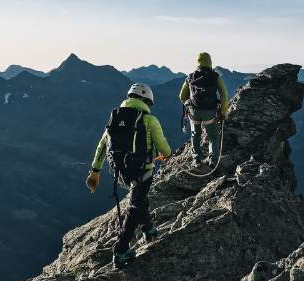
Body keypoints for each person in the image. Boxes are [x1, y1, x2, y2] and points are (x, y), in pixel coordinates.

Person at [86, 83, 171, 269]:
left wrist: (95, 170)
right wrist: (167, 154)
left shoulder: (115, 118)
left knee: (140, 200)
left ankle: (148, 229)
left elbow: (102, 146)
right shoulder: (149, 120)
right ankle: (121, 250)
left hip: (120, 172)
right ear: (148, 101)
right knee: (134, 207)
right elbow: (164, 147)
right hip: (143, 171)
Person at [179, 52, 229, 168]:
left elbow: (182, 96)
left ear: (197, 63)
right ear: (210, 62)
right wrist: (223, 112)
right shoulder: (215, 76)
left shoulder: (190, 77)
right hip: (210, 112)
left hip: (194, 111)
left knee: (195, 134)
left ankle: (196, 160)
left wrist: (188, 104)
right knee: (213, 136)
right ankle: (213, 159)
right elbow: (224, 95)